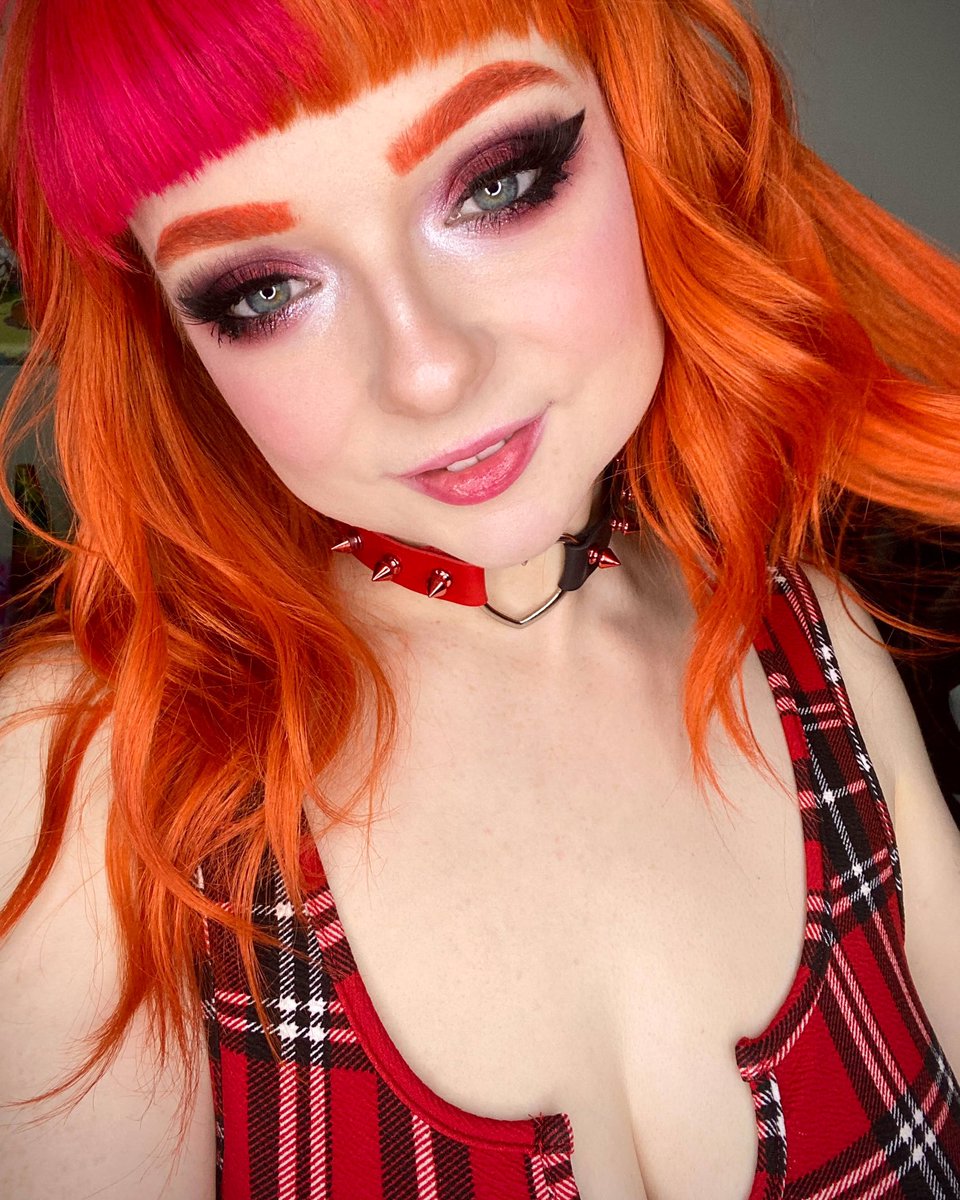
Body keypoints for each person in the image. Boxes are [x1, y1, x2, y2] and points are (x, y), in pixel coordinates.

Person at [1, 1, 958, 1197]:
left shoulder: (822, 652)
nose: (428, 372)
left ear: (641, 127)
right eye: (262, 290)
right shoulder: (93, 783)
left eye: (498, 185)